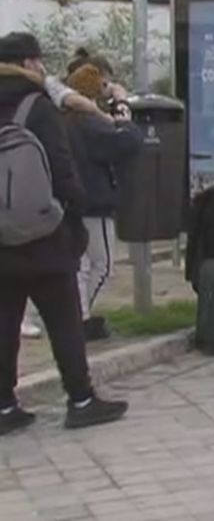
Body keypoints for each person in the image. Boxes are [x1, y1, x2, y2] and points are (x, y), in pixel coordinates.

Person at [0, 32, 128, 435]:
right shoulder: (38, 106)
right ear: (29, 63)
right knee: (65, 321)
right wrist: (72, 215)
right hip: (46, 234)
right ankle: (81, 398)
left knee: (4, 323)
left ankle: (4, 406)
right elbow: (62, 168)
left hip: (1, 236)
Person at [62, 61, 143, 341]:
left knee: (81, 265)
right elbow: (128, 140)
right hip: (94, 203)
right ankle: (79, 318)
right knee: (103, 264)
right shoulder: (89, 123)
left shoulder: (64, 120)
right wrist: (121, 103)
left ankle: (76, 316)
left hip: (71, 201)